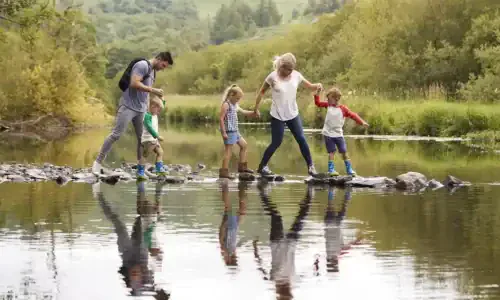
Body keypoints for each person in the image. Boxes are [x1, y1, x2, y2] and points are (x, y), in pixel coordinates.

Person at [92, 52, 173, 178]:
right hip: (128, 107)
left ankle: (141, 168)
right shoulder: (142, 65)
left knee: (142, 140)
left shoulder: (152, 72)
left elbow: (145, 93)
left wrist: (151, 103)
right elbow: (134, 83)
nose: (163, 68)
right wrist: (154, 90)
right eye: (163, 65)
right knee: (116, 134)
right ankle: (97, 163)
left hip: (141, 110)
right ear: (159, 59)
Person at [93, 181, 169, 298]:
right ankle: (141, 185)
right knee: (140, 219)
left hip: (127, 252)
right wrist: (159, 295)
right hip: (141, 252)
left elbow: (138, 290)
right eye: (136, 275)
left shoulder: (134, 279)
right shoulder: (148, 281)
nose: (135, 274)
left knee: (118, 223)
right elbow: (153, 289)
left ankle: (98, 195)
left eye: (133, 275)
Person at [253, 53, 322, 176]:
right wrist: (256, 108)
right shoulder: (272, 77)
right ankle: (262, 167)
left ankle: (311, 167)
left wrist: (318, 86)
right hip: (277, 115)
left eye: (292, 69)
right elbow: (261, 93)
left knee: (301, 139)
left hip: (293, 114)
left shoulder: (297, 75)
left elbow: (310, 86)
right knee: (276, 142)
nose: (290, 72)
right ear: (282, 67)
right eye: (288, 69)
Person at [252, 182, 312, 300]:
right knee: (294, 217)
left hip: (279, 243)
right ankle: (309, 195)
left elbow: (261, 268)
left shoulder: (281, 279)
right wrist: (255, 251)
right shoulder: (287, 280)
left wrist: (256, 251)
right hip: (287, 243)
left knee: (281, 216)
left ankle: (263, 194)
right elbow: (261, 268)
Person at [314, 87, 369, 176]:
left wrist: (362, 122)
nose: (327, 99)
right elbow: (317, 103)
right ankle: (331, 170)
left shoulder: (343, 109)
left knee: (343, 151)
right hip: (328, 134)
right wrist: (317, 94)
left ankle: (349, 169)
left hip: (339, 134)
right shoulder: (328, 105)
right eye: (327, 97)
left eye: (329, 97)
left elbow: (353, 115)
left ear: (336, 98)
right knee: (331, 151)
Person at [219, 84, 256, 179]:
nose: (238, 100)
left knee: (244, 145)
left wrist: (253, 113)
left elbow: (243, 112)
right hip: (229, 131)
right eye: (237, 98)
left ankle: (242, 167)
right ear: (231, 95)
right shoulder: (226, 104)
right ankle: (224, 172)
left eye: (239, 98)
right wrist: (223, 132)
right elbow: (221, 119)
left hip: (235, 131)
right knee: (228, 151)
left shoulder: (234, 104)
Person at [218, 180, 248, 267]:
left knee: (229, 207)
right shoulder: (231, 252)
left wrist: (223, 225)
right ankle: (241, 186)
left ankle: (224, 185)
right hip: (234, 226)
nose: (236, 259)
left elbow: (221, 238)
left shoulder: (226, 252)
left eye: (234, 261)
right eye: (235, 261)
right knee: (242, 209)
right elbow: (234, 240)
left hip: (229, 226)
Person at [138, 94, 168, 180]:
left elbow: (162, 105)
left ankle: (159, 168)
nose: (159, 112)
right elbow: (149, 127)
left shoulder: (155, 114)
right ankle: (140, 172)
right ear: (152, 106)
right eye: (158, 110)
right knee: (145, 155)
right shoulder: (147, 116)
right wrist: (157, 136)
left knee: (160, 152)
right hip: (148, 140)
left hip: (153, 140)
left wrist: (162, 97)